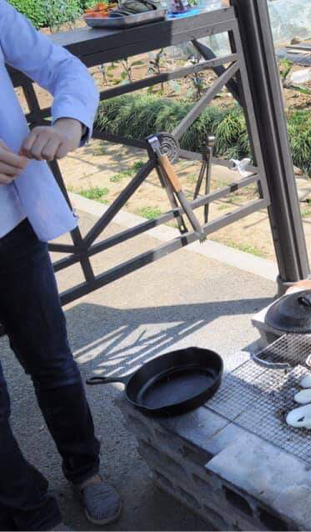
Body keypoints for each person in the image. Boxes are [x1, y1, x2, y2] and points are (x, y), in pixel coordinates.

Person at [0, 1, 122, 529]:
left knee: (52, 360)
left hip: (12, 224)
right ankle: (32, 514)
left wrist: (70, 122)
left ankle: (86, 470)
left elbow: (62, 67)